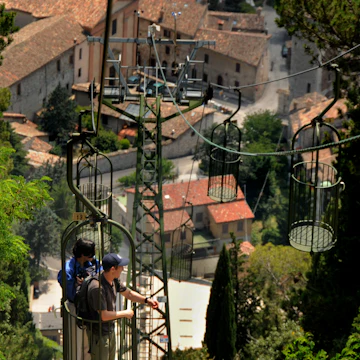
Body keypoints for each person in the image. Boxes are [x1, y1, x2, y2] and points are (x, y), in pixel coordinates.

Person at [87, 253, 159, 360]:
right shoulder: (98, 288)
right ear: (112, 269)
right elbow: (104, 315)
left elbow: (128, 294)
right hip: (99, 334)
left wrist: (146, 300)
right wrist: (125, 313)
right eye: (121, 266)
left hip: (109, 331)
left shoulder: (113, 281)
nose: (123, 269)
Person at [58, 238, 99, 360]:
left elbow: (100, 273)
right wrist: (82, 287)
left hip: (89, 308)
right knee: (76, 343)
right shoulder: (68, 270)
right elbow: (71, 294)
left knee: (88, 344)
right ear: (82, 254)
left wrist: (87, 281)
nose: (93, 256)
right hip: (75, 308)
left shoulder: (92, 264)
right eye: (91, 253)